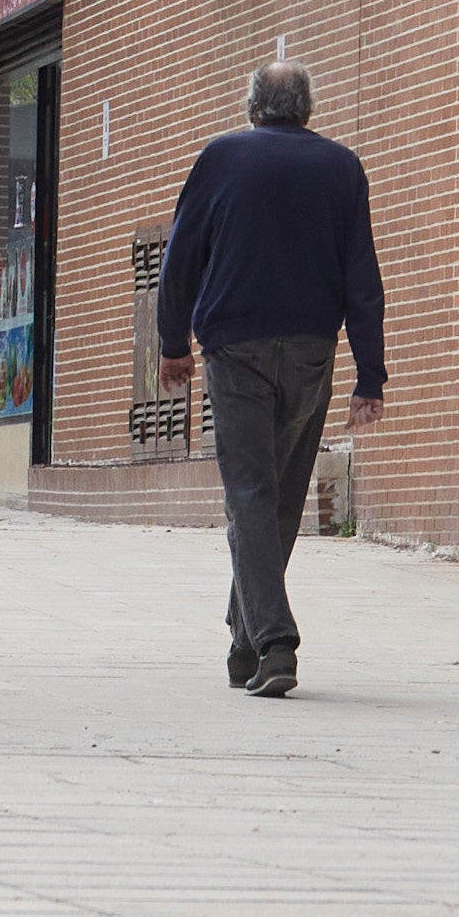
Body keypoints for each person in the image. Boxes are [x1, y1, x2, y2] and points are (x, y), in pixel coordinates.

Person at [146, 55, 388, 699]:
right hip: (313, 353)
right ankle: (244, 639)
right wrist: (371, 374)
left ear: (253, 108)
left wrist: (172, 345)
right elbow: (362, 274)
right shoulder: (342, 168)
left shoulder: (220, 158)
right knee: (278, 498)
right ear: (308, 109)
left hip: (236, 353)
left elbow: (179, 261)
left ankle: (275, 641)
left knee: (251, 495)